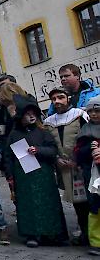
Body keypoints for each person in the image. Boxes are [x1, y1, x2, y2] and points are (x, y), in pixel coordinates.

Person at [5, 95, 68, 247]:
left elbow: (53, 150)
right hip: (24, 176)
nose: (31, 116)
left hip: (43, 174)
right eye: (28, 114)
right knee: (28, 205)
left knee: (49, 203)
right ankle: (32, 234)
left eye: (33, 113)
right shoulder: (14, 134)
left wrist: (38, 150)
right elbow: (8, 156)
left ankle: (52, 234)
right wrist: (10, 175)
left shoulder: (43, 131)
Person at [43, 86, 90, 245]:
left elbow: (88, 138)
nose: (57, 101)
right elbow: (49, 144)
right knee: (78, 202)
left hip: (83, 165)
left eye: (61, 97)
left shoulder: (80, 115)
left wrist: (78, 158)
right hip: (64, 167)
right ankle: (85, 233)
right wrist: (56, 158)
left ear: (68, 98)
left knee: (91, 199)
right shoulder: (49, 122)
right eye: (54, 99)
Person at [74, 95, 100, 255]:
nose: (94, 114)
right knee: (95, 207)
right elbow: (78, 152)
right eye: (91, 112)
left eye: (97, 111)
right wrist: (89, 149)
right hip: (91, 173)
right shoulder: (85, 130)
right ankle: (96, 240)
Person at [0, 75, 17, 153]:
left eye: (5, 84)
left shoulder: (24, 100)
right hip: (5, 144)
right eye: (1, 85)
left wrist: (7, 128)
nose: (3, 88)